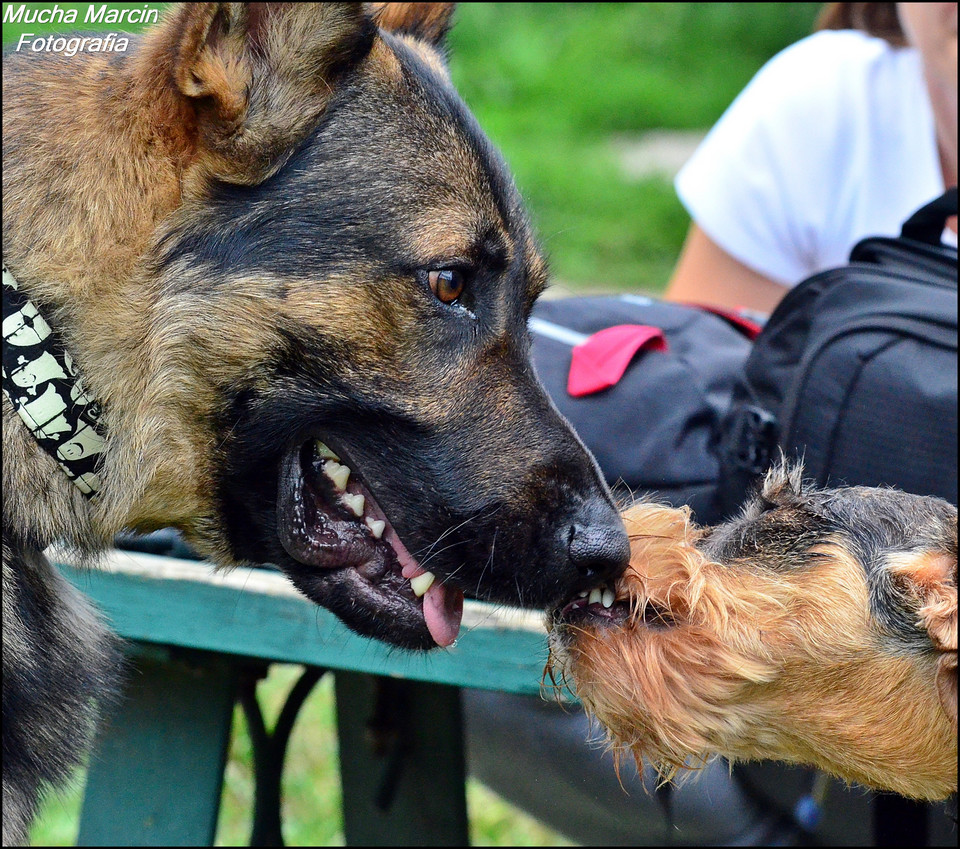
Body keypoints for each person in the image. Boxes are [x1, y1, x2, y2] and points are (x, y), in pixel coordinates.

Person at [464, 3, 958, 845]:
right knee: (472, 662)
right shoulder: (828, 97)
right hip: (793, 752)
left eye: (781, 521)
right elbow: (687, 393)